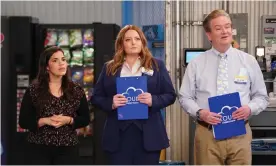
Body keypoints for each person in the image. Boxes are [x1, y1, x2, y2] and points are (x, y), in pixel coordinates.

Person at [179, 9, 268, 165]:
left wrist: (250, 108)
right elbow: (184, 96)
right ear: (209, 35)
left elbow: (261, 96)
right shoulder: (196, 64)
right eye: (218, 28)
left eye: (227, 26)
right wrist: (200, 113)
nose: (225, 31)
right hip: (207, 134)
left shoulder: (248, 61)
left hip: (240, 133)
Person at [91, 25, 176, 165]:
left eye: (137, 39)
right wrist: (111, 103)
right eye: (128, 39)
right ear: (121, 44)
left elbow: (170, 95)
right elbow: (96, 98)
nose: (133, 42)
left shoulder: (157, 65)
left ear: (143, 42)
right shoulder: (109, 67)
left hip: (148, 135)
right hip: (118, 135)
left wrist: (153, 100)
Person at [19, 46, 90, 165]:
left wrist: (68, 120)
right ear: (47, 67)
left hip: (68, 148)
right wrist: (45, 121)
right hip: (38, 148)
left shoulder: (76, 90)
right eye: (55, 60)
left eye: (63, 59)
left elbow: (85, 119)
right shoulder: (34, 90)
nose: (61, 64)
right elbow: (23, 121)